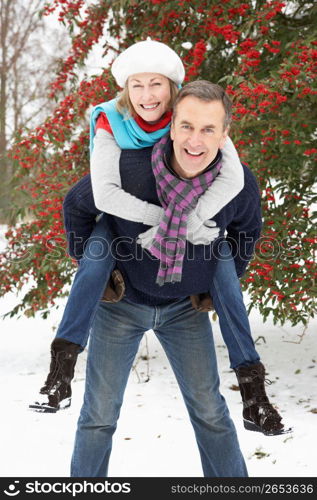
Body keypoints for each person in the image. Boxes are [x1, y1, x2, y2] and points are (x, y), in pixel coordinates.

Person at [29, 41, 288, 437]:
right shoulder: (113, 126)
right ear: (126, 90)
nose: (147, 95)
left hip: (187, 278)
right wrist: (99, 265)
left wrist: (196, 234)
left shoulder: (198, 121)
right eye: (138, 85)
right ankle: (60, 370)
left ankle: (253, 394)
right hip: (119, 228)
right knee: (98, 253)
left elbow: (237, 188)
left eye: (157, 85)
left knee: (224, 270)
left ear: (173, 92)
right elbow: (96, 196)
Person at [71, 80, 256, 477]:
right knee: (98, 416)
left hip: (183, 310)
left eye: (209, 129)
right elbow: (77, 205)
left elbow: (246, 235)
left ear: (224, 136)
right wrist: (94, 270)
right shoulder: (130, 171)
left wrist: (216, 287)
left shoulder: (237, 183)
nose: (195, 139)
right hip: (122, 306)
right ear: (171, 126)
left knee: (210, 412)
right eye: (187, 126)